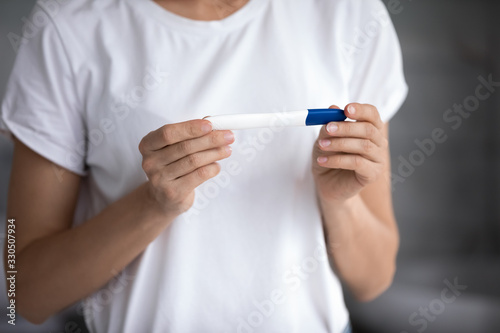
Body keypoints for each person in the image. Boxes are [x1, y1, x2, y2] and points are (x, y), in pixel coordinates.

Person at [1, 0, 408, 332]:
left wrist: (339, 201)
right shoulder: (67, 27)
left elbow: (373, 278)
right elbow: (26, 290)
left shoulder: (350, 15)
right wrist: (153, 204)